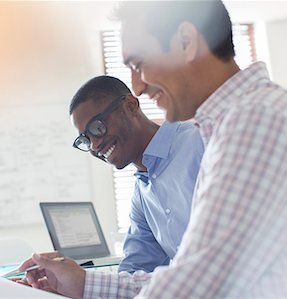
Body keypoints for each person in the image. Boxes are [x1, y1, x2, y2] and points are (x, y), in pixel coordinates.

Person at [19, 1, 287, 298]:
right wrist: (84, 284)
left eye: (139, 63)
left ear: (186, 41)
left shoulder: (256, 120)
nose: (139, 85)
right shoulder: (233, 123)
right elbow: (182, 274)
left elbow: (196, 283)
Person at [70, 75, 204, 273]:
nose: (95, 145)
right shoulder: (142, 194)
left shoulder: (199, 143)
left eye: (97, 127)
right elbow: (136, 268)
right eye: (85, 140)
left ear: (131, 106)